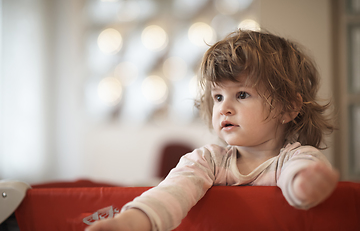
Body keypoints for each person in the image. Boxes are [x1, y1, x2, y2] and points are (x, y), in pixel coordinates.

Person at [85, 29, 339, 231]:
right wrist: (130, 223)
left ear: (288, 108)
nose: (224, 108)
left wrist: (305, 185)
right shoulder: (209, 160)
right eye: (217, 97)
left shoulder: (294, 159)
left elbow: (300, 175)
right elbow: (173, 192)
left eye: (241, 94)